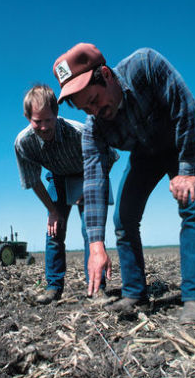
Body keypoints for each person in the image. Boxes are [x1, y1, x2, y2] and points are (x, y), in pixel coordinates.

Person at [53, 43, 195, 323]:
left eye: (94, 100)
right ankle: (134, 293)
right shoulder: (93, 129)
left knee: (192, 204)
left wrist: (187, 169)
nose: (93, 112)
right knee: (123, 218)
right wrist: (95, 246)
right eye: (85, 109)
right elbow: (94, 183)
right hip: (145, 155)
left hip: (178, 144)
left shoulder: (146, 65)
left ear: (105, 74)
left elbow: (186, 108)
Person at [14, 84, 118, 304]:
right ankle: (53, 288)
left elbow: (109, 157)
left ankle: (97, 289)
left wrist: (89, 189)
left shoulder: (78, 133)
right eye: (37, 121)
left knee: (90, 232)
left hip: (87, 174)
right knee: (54, 231)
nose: (43, 127)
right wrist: (52, 211)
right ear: (27, 117)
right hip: (57, 177)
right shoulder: (24, 143)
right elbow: (33, 180)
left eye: (48, 120)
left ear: (56, 114)